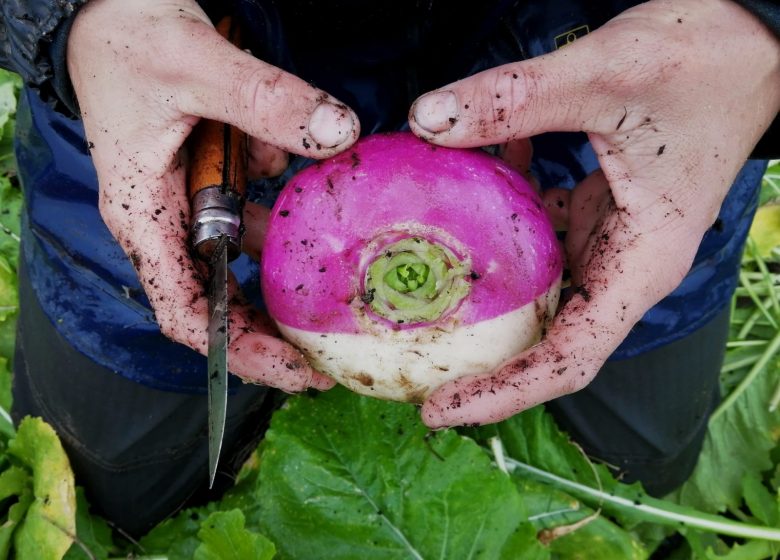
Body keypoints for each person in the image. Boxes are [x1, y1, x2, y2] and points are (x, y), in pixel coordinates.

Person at [1, 0, 778, 537]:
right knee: (114, 477)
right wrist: (75, 19)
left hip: (621, 106)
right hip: (183, 91)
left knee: (643, 463)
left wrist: (753, 38)